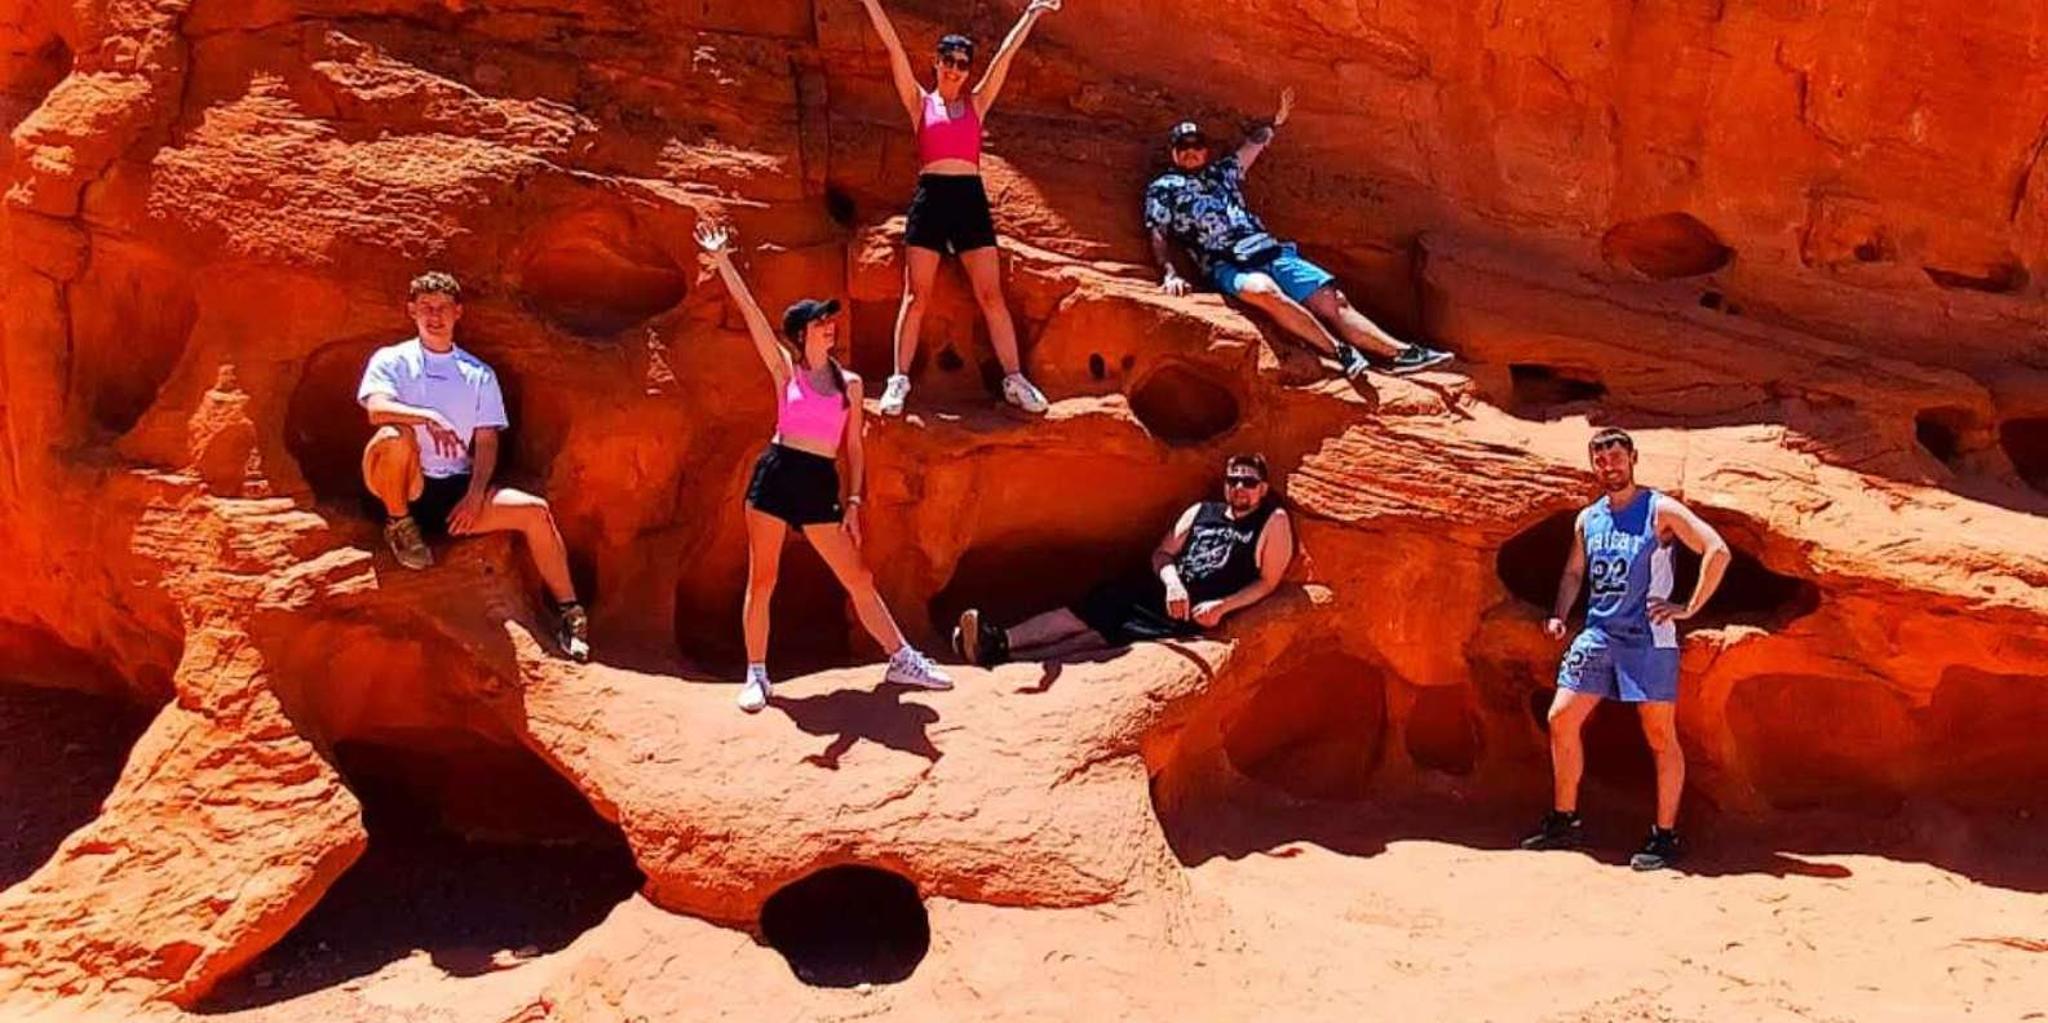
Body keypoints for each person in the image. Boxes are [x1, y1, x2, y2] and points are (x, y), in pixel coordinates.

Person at [695, 222, 953, 712]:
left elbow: (854, 448)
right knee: (763, 579)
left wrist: (853, 503)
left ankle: (902, 659)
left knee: (858, 577)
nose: (829, 326)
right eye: (819, 322)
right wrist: (723, 261)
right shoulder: (784, 370)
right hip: (777, 475)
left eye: (829, 321)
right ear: (802, 334)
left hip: (818, 482)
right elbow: (752, 315)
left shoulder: (849, 383)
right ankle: (756, 675)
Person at [1520, 427, 1730, 871]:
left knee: (1659, 735)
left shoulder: (1659, 509)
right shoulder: (1588, 519)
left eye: (1616, 457)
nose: (1609, 466)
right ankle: (1564, 821)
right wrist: (1560, 613)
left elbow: (1717, 550)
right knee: (1561, 717)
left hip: (1649, 638)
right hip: (1599, 634)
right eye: (1600, 459)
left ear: (1633, 458)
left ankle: (1665, 835)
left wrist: (1689, 607)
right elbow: (1574, 573)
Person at [357, 272, 589, 662]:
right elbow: (376, 410)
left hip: (455, 489)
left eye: (443, 308)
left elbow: (486, 440)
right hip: (405, 483)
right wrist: (427, 416)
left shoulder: (478, 374)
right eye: (426, 307)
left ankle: (571, 614)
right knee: (395, 436)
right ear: (412, 311)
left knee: (535, 511)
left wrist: (476, 495)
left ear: (458, 313)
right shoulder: (392, 360)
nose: (435, 316)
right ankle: (400, 524)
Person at [1143, 91, 1454, 379]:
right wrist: (1170, 273)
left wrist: (1275, 122)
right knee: (1264, 291)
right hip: (1227, 263)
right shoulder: (1164, 188)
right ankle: (1339, 351)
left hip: (1270, 251)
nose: (1191, 151)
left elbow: (1253, 145)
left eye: (1196, 145)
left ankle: (1402, 354)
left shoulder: (1222, 173)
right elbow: (1158, 231)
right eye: (1183, 147)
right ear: (1174, 153)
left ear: (1206, 150)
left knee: (1332, 301)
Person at [855, 0, 1058, 417]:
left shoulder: (977, 105)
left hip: (968, 197)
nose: (954, 69)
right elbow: (893, 47)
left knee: (990, 294)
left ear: (968, 71)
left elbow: (1005, 57)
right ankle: (899, 380)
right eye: (948, 60)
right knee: (916, 295)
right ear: (936, 62)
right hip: (931, 196)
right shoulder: (919, 103)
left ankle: (1015, 379)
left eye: (962, 64)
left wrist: (1031, 13)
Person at [953, 453, 1293, 665]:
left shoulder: (1271, 522)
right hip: (1158, 593)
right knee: (1085, 613)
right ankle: (999, 638)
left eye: (1249, 481)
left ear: (1263, 488)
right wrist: (1173, 583)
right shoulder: (1203, 511)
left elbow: (1268, 582)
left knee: (1097, 640)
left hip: (1191, 617)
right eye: (1233, 480)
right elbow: (1163, 553)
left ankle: (1005, 656)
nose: (1239, 487)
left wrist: (1223, 606)